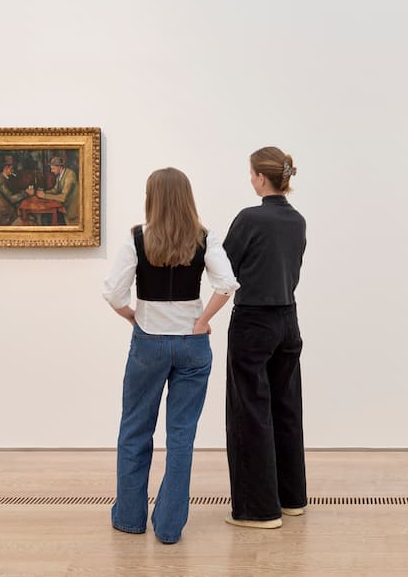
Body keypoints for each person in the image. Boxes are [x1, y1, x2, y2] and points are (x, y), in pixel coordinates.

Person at [102, 167, 239, 544]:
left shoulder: (138, 237)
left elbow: (112, 292)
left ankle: (130, 517)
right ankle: (168, 526)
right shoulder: (204, 237)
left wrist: (131, 315)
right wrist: (202, 321)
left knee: (135, 428)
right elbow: (227, 283)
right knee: (181, 435)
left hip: (148, 342)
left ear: (152, 198)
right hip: (192, 346)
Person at [222, 147, 307, 529]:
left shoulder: (250, 218)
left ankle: (259, 510)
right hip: (288, 320)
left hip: (254, 321)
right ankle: (292, 499)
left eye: (251, 173)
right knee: (286, 409)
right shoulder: (297, 220)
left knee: (250, 412)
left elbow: (224, 268)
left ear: (260, 177)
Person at [0, 155, 33, 225]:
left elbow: (12, 193)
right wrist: (26, 193)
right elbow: (12, 198)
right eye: (11, 168)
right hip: (6, 218)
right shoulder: (0, 182)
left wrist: (25, 192)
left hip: (9, 213)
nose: (12, 171)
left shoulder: (4, 178)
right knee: (30, 222)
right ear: (6, 168)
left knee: (30, 218)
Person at [38, 155, 79, 225]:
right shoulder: (59, 176)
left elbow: (63, 197)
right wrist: (43, 192)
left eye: (53, 169)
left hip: (72, 210)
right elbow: (55, 190)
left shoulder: (70, 175)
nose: (51, 171)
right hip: (65, 208)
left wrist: (44, 196)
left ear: (59, 167)